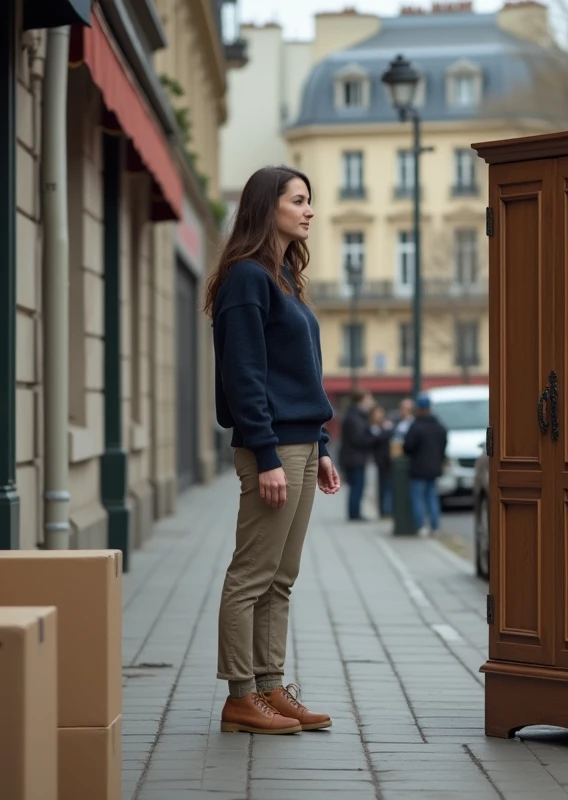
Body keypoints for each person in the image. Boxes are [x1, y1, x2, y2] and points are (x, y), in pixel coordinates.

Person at [204, 165, 341, 736]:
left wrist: (323, 444)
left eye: (310, 201)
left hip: (303, 443)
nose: (310, 210)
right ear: (269, 207)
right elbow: (245, 376)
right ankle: (241, 696)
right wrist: (264, 454)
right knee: (251, 576)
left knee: (281, 577)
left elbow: (298, 373)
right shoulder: (246, 280)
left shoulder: (283, 276)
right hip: (275, 447)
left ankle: (268, 686)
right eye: (299, 200)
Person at [403, 394, 448, 536]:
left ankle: (421, 526)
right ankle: (435, 527)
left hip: (418, 468)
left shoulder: (416, 426)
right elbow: (443, 446)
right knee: (432, 497)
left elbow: (407, 446)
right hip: (434, 468)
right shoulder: (439, 426)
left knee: (417, 498)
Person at [339, 390, 377, 520]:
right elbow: (359, 439)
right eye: (369, 398)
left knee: (356, 486)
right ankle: (354, 514)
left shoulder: (354, 415)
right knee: (357, 487)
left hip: (353, 457)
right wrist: (374, 436)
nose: (371, 401)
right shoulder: (356, 417)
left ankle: (354, 512)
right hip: (355, 458)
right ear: (361, 400)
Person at [368, 405, 394, 517]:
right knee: (383, 486)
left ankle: (388, 509)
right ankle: (384, 510)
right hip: (380, 460)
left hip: (389, 460)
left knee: (389, 486)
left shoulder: (388, 427)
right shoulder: (373, 428)